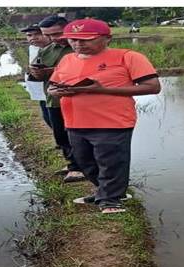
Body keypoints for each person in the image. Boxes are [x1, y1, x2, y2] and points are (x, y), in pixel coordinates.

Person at [48, 19, 161, 214]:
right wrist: (54, 92)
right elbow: (52, 85)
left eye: (86, 40)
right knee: (85, 161)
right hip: (75, 120)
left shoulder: (128, 57)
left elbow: (153, 87)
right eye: (73, 40)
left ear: (107, 39)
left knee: (111, 162)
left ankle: (111, 200)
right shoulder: (67, 60)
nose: (78, 44)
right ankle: (104, 191)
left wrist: (103, 90)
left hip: (112, 121)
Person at [29, 15, 85, 182]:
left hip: (77, 100)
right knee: (61, 135)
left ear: (68, 28)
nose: (54, 38)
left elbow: (86, 70)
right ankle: (72, 164)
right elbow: (38, 72)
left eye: (57, 34)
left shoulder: (80, 47)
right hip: (53, 99)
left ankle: (80, 167)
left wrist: (53, 71)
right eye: (49, 35)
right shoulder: (48, 49)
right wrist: (36, 72)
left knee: (77, 135)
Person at [19, 24, 53, 128]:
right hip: (39, 89)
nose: (33, 38)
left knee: (56, 119)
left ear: (47, 34)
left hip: (53, 91)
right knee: (47, 117)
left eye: (38, 34)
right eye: (29, 35)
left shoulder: (56, 49)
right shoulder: (32, 48)